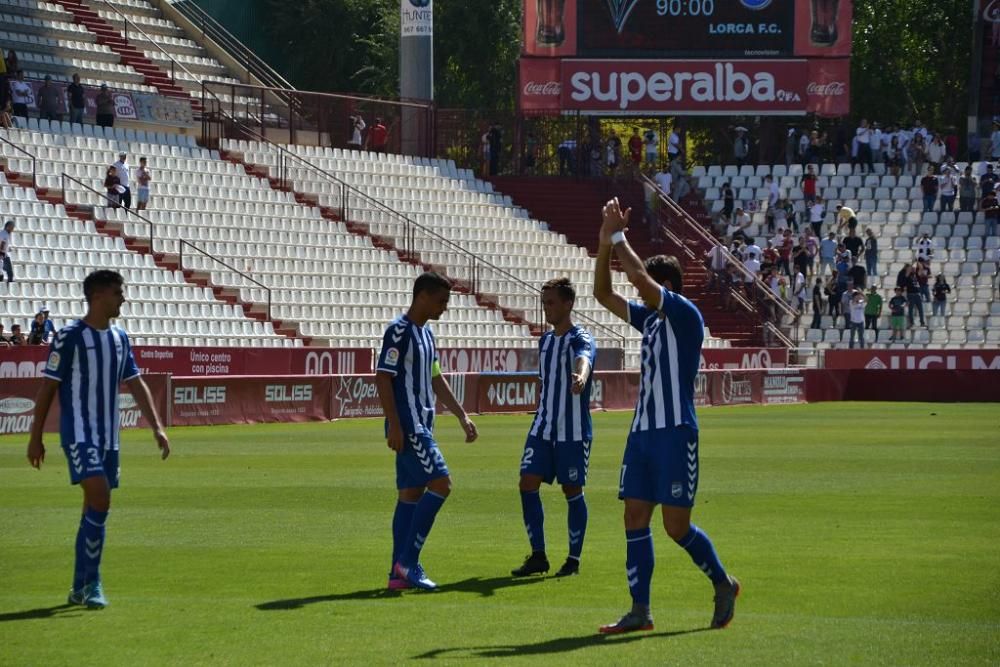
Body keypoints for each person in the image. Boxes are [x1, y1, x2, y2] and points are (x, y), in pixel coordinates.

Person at [594, 197, 739, 634]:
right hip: (642, 433)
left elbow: (636, 278)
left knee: (676, 527)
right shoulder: (651, 321)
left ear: (668, 287)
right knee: (634, 517)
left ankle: (722, 582)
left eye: (651, 287)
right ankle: (640, 611)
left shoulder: (683, 314)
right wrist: (604, 244)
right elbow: (604, 293)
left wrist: (618, 234)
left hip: (676, 433)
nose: (641, 290)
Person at [26, 270, 170, 609]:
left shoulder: (120, 337)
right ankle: (93, 583)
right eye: (118, 292)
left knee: (93, 507)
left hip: (109, 438)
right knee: (101, 497)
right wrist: (35, 438)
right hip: (79, 434)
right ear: (99, 296)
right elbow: (48, 387)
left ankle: (78, 586)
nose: (123, 298)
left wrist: (157, 426)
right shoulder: (70, 336)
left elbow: (135, 382)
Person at [375, 272, 478, 591]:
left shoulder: (427, 335)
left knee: (410, 494)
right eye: (440, 300)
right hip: (411, 426)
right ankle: (408, 560)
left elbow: (436, 378)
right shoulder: (398, 331)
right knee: (443, 484)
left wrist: (462, 415)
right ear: (421, 296)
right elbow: (382, 377)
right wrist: (393, 422)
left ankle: (397, 574)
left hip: (424, 424)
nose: (444, 307)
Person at [511, 278, 596, 579]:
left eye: (551, 302)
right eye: (544, 302)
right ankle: (538, 555)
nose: (546, 308)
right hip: (543, 427)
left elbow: (582, 358)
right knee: (526, 483)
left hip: (572, 431)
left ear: (568, 304)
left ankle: (573, 560)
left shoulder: (580, 337)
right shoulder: (545, 341)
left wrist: (581, 378)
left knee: (572, 490)